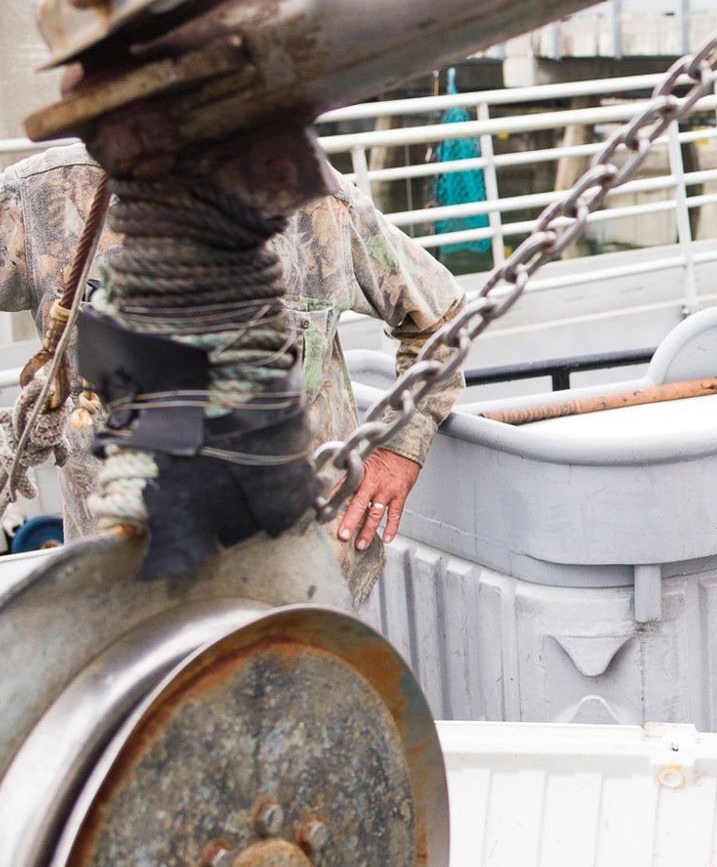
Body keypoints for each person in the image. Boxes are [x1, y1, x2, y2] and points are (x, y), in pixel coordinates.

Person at [0, 143, 464, 602]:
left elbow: (442, 318)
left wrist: (399, 449)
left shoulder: (315, 200)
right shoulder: (44, 198)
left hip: (295, 585)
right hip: (124, 594)